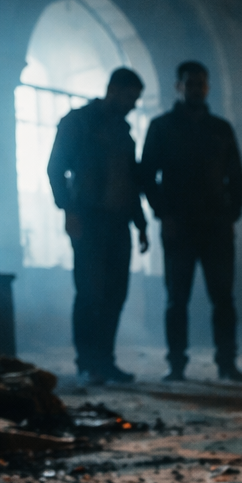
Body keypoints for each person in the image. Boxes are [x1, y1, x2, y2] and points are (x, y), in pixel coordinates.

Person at [140, 61, 242, 382]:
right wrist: (164, 215)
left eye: (200, 83)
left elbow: (237, 176)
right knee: (176, 300)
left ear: (207, 87)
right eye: (189, 83)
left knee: (223, 298)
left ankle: (226, 363)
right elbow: (147, 176)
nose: (195, 88)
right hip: (179, 227)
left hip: (216, 226)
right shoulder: (161, 127)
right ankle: (176, 365)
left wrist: (231, 215)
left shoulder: (221, 129)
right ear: (178, 86)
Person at [47, 67, 149, 384]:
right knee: (91, 293)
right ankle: (88, 361)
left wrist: (141, 224)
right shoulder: (77, 122)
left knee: (115, 295)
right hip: (89, 221)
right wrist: (69, 209)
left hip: (119, 224)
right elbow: (55, 168)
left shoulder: (124, 132)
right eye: (130, 96)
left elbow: (131, 182)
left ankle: (104, 360)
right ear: (113, 90)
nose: (133, 104)